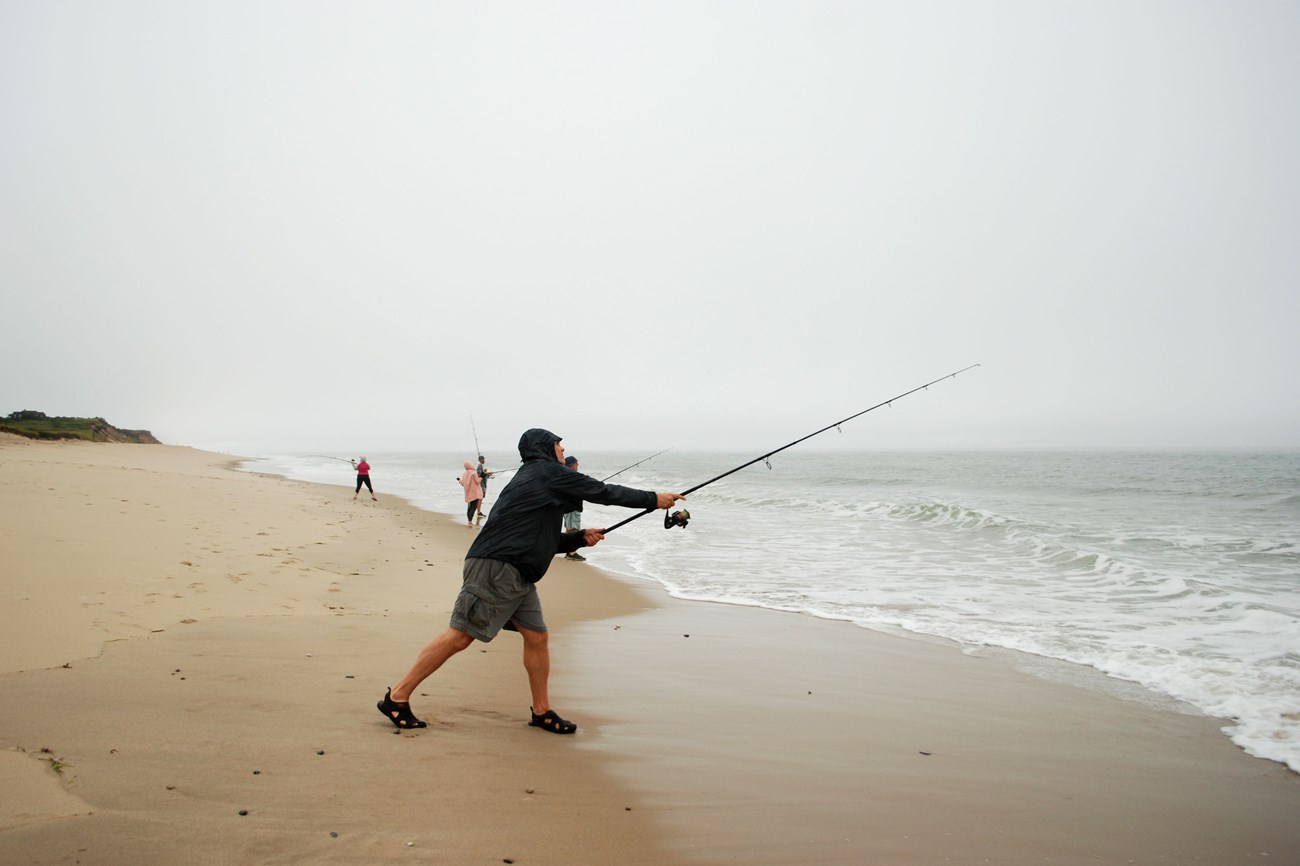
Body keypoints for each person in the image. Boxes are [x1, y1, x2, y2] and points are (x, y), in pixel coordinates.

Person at [377, 428, 684, 735]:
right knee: (461, 635)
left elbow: (537, 538)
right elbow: (602, 492)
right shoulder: (546, 471)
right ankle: (398, 697)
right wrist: (654, 499)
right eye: (560, 447)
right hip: (498, 568)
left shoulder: (533, 478)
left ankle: (541, 711)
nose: (564, 453)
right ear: (547, 448)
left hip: (517, 573)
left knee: (537, 637)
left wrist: (577, 538)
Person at [561, 455, 585, 561]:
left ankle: (568, 550)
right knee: (573, 528)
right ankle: (571, 552)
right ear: (572, 465)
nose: (578, 465)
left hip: (567, 506)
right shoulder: (572, 476)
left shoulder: (564, 475)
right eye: (576, 463)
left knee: (569, 527)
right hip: (572, 506)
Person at [459, 461, 482, 527]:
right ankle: (470, 523)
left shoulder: (464, 474)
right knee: (473, 507)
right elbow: (477, 482)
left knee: (469, 507)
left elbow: (463, 483)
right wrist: (481, 477)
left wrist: (459, 480)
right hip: (475, 493)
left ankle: (469, 521)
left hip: (468, 493)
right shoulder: (473, 473)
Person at [475, 455, 494, 524]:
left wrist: (488, 475)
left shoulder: (481, 466)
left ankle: (478, 511)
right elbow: (480, 474)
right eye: (482, 459)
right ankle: (478, 512)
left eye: (484, 459)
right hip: (481, 484)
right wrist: (487, 473)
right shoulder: (480, 466)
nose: (483, 460)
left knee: (481, 498)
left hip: (483, 484)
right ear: (479, 460)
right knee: (480, 498)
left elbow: (483, 475)